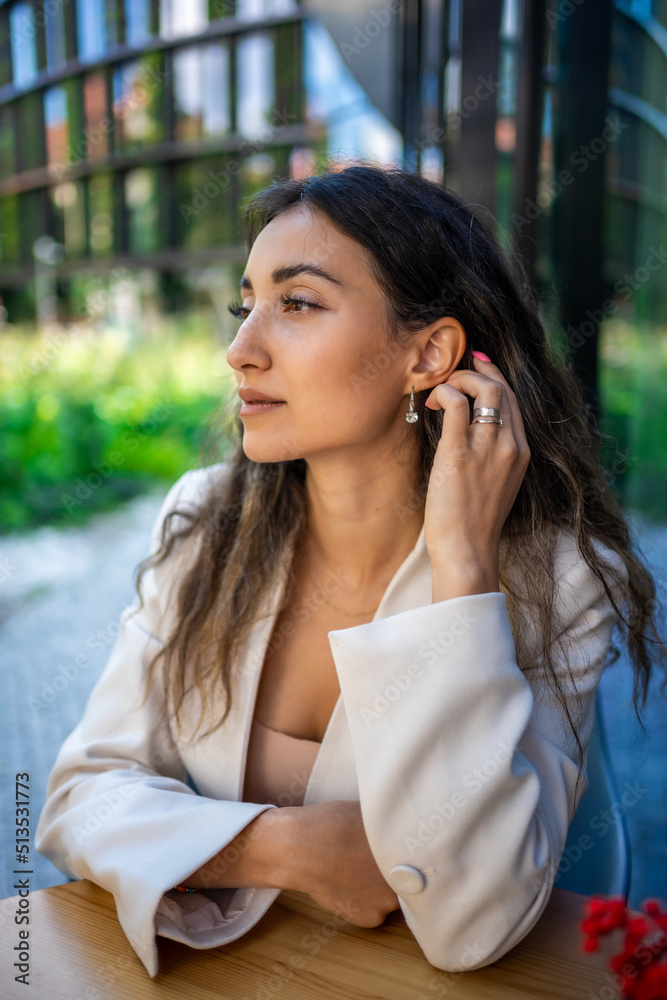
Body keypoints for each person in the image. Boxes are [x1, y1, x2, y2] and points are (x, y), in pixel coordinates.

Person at [35, 164, 665, 979]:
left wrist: (461, 574)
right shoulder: (206, 519)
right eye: (245, 305)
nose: (240, 349)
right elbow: (79, 795)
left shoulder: (560, 577)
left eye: (295, 303)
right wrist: (286, 847)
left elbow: (472, 921)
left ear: (428, 354)